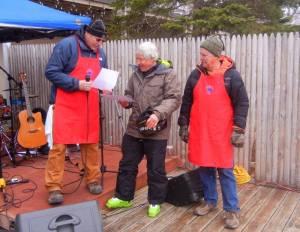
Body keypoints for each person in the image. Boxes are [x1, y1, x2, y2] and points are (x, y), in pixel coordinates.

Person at [178, 35, 249, 229]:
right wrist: (183, 124)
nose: (201, 58)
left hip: (222, 134)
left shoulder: (231, 76)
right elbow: (186, 101)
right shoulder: (195, 75)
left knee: (225, 171)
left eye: (204, 54)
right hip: (201, 131)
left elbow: (242, 103)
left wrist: (239, 129)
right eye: (201, 54)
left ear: (217, 56)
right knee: (205, 167)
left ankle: (232, 210)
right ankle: (210, 201)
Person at [106, 42, 181, 218]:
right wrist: (125, 101)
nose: (138, 62)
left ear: (152, 59)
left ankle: (155, 201)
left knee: (155, 168)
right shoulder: (135, 75)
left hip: (157, 130)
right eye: (137, 58)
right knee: (127, 164)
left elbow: (174, 98)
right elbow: (129, 94)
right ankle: (124, 197)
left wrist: (157, 114)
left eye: (141, 59)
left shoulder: (167, 74)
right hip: (134, 128)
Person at [44, 19, 108, 205]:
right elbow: (51, 72)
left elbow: (102, 75)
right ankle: (54, 186)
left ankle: (93, 178)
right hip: (66, 104)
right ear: (87, 34)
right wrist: (76, 84)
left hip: (90, 105)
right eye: (98, 39)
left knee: (91, 143)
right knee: (59, 147)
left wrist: (105, 87)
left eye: (102, 41)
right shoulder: (66, 46)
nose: (100, 43)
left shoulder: (100, 52)